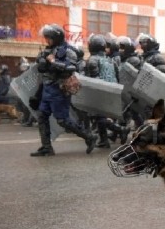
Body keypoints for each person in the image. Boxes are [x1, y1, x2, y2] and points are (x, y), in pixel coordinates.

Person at [30, 24, 98, 157]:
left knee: (63, 120)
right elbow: (41, 68)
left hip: (59, 89)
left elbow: (71, 68)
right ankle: (46, 147)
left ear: (56, 37)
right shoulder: (48, 50)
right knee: (42, 116)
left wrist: (53, 61)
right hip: (46, 88)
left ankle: (89, 136)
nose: (47, 41)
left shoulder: (67, 50)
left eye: (49, 38)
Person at [84, 34, 129, 148]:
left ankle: (121, 129)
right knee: (101, 117)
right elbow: (117, 76)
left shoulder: (93, 60)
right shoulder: (110, 60)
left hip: (100, 91)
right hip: (111, 90)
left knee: (99, 117)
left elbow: (93, 79)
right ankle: (104, 140)